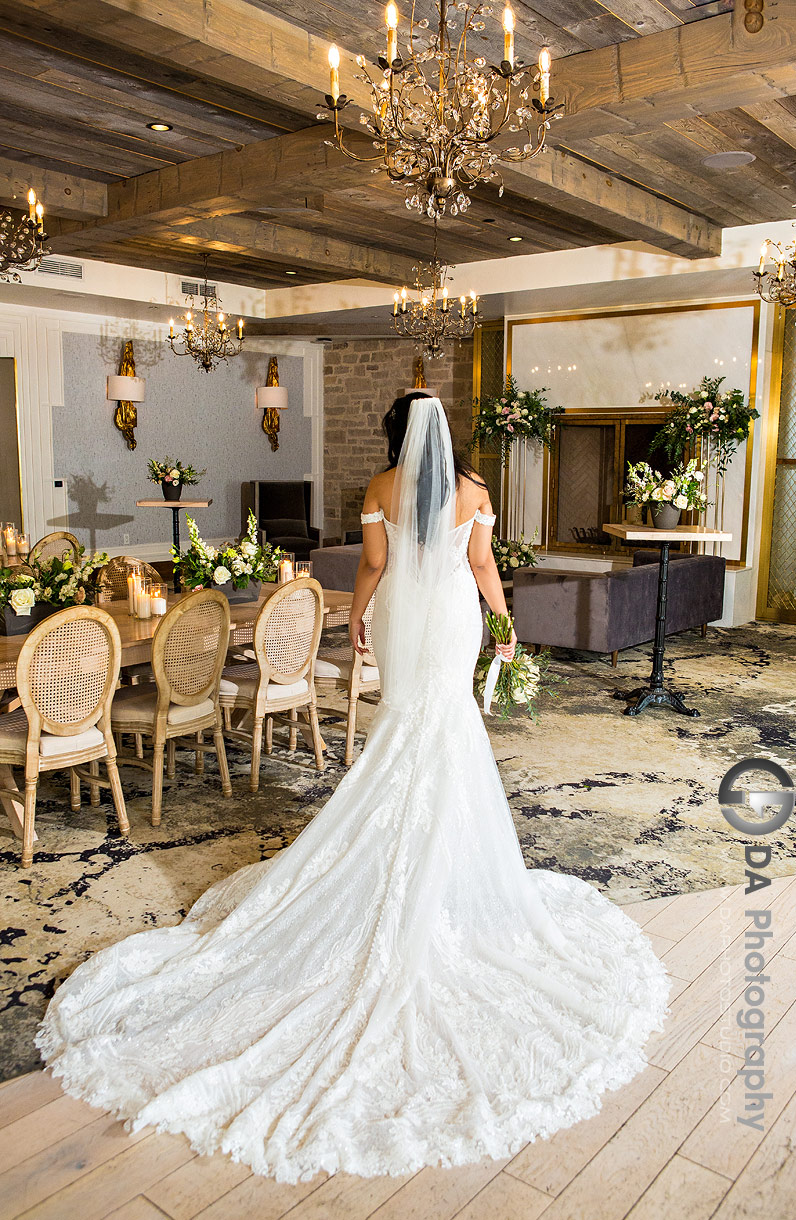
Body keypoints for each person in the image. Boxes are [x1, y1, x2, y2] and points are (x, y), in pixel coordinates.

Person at [37, 393, 669, 1185]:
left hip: (408, 612)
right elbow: (481, 568)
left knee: (406, 719)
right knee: (446, 727)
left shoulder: (379, 487)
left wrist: (361, 618)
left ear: (396, 436)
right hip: (451, 616)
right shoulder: (473, 492)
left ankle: (398, 844)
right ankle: (445, 854)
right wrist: (502, 626)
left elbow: (370, 565)